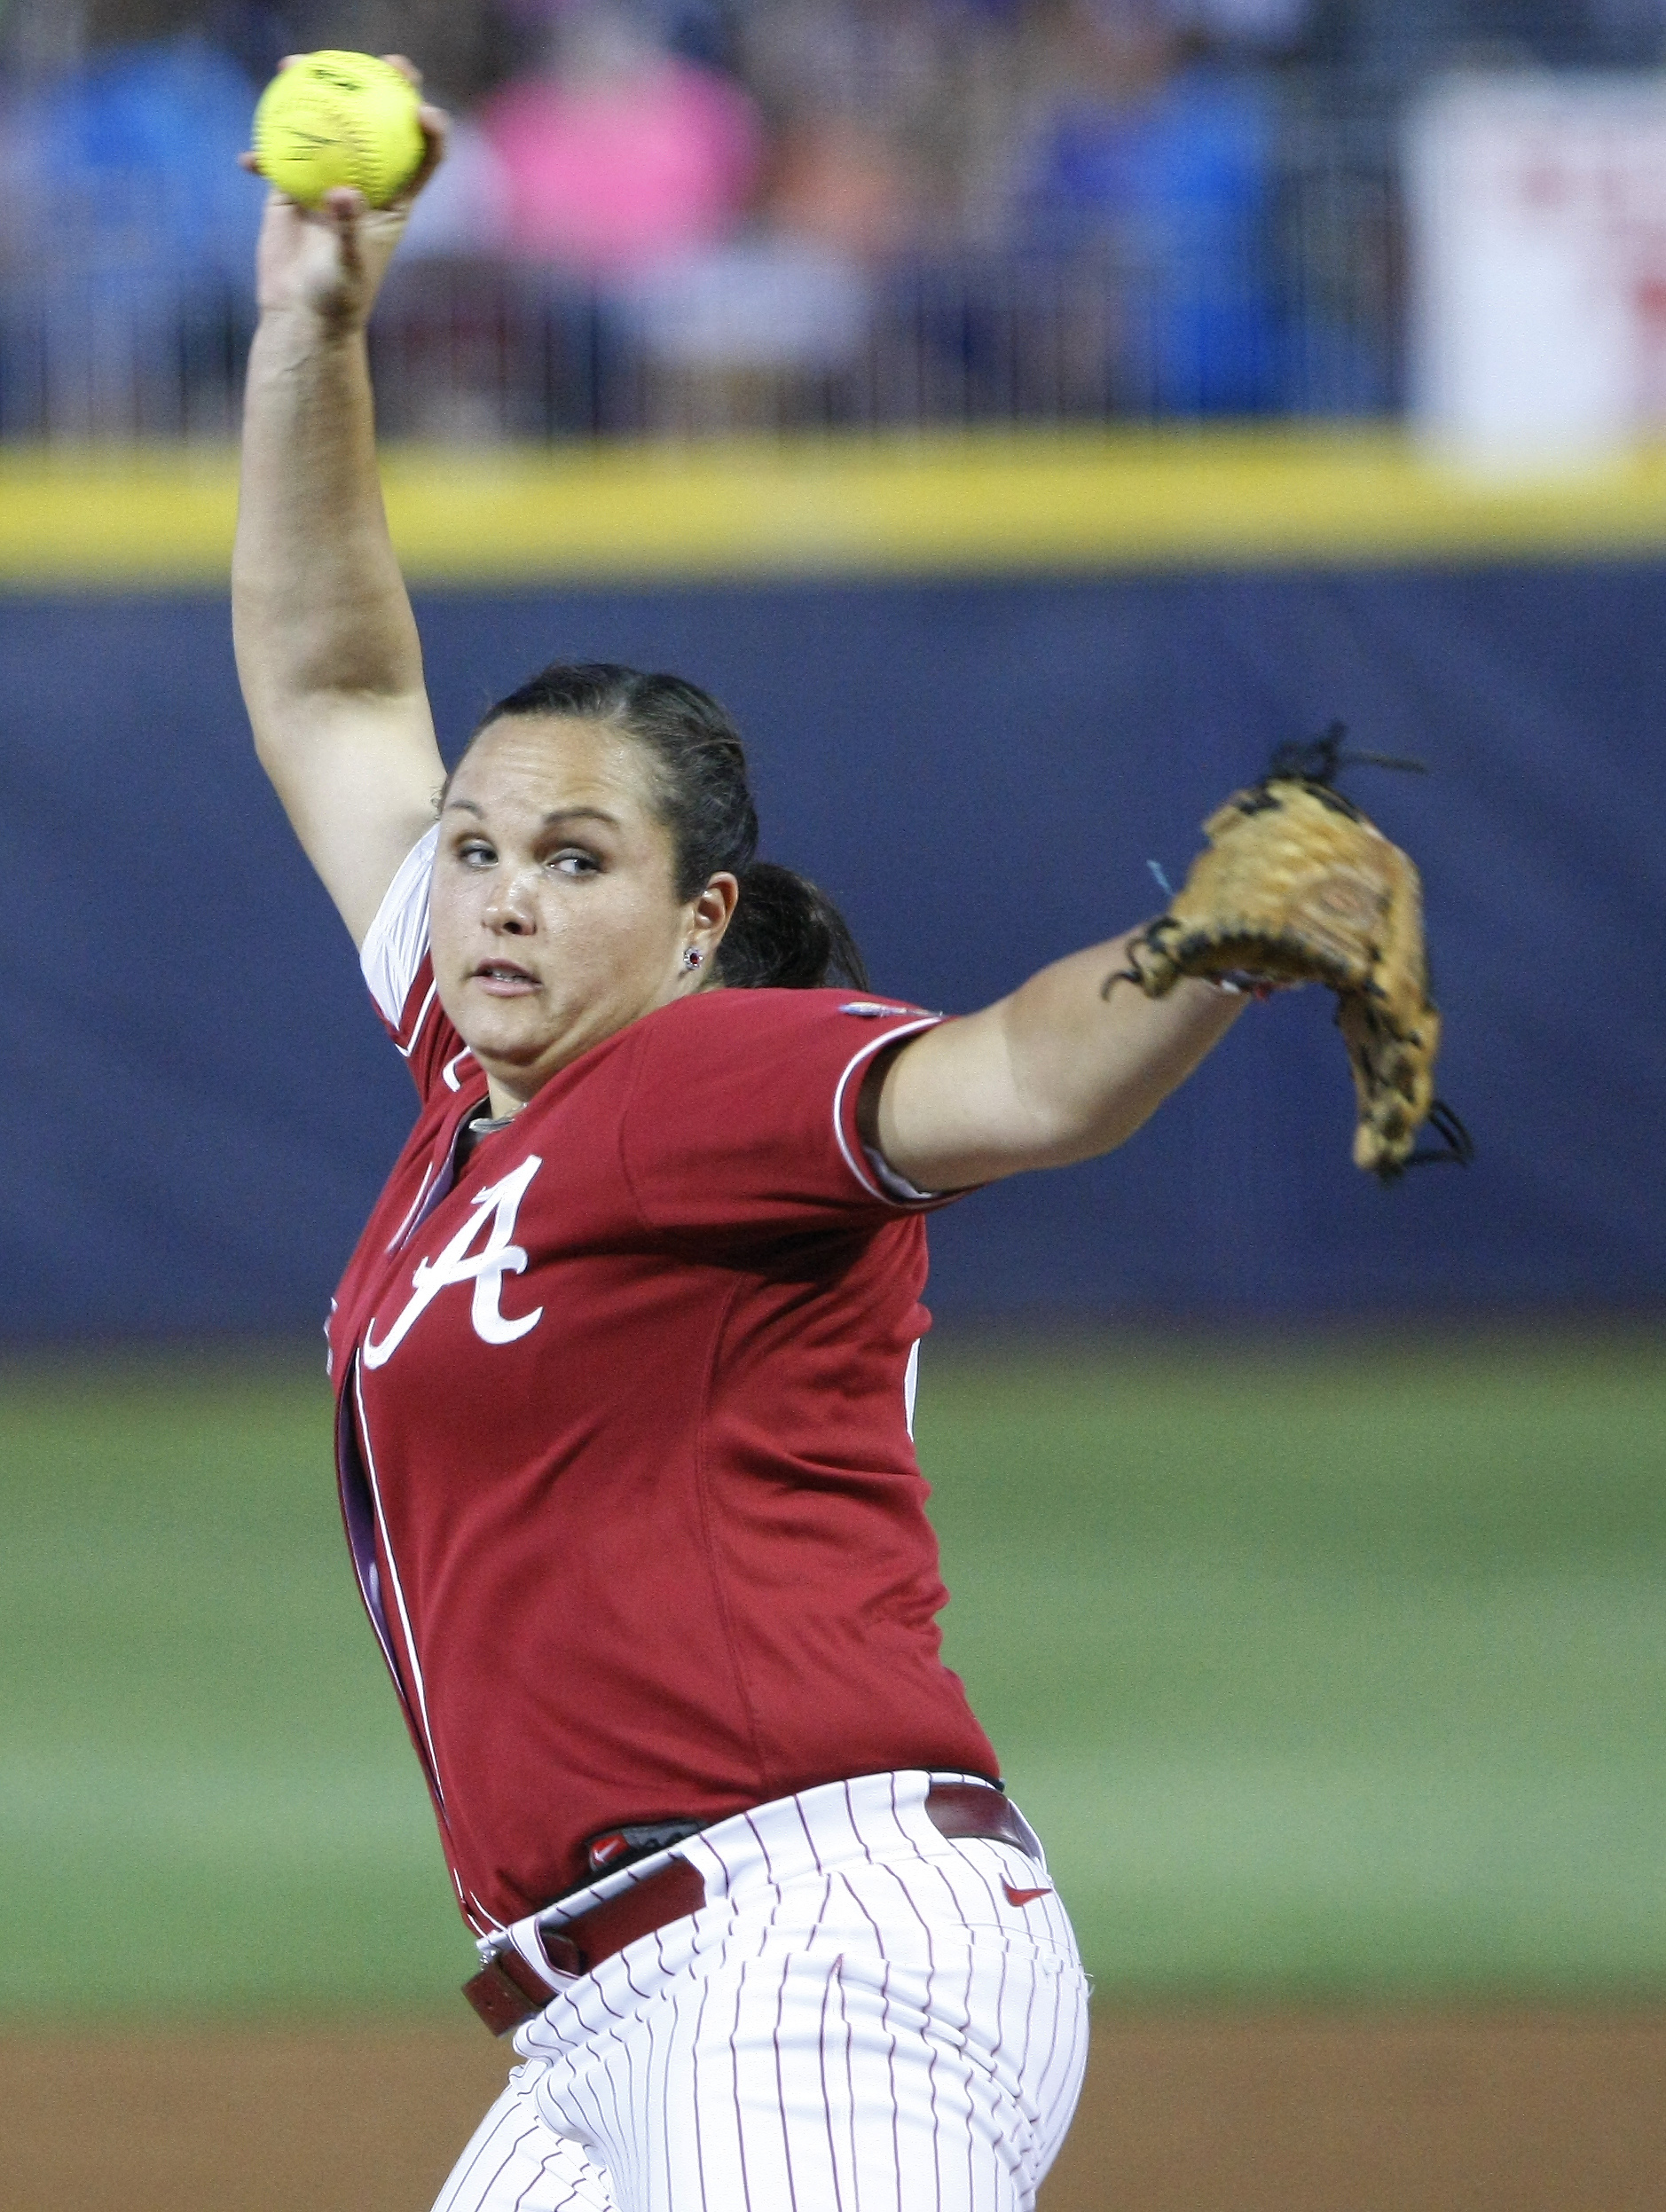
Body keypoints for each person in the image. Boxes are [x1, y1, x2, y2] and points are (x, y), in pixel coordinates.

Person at [234, 60, 1245, 2212]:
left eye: (572, 857)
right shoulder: (475, 1090)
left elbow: (1023, 1079)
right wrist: (311, 330)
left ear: (697, 923)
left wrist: (1209, 947)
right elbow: (330, 686)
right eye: (483, 845)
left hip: (807, 1954)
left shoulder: (701, 1081)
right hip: (606, 2013)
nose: (499, 889)